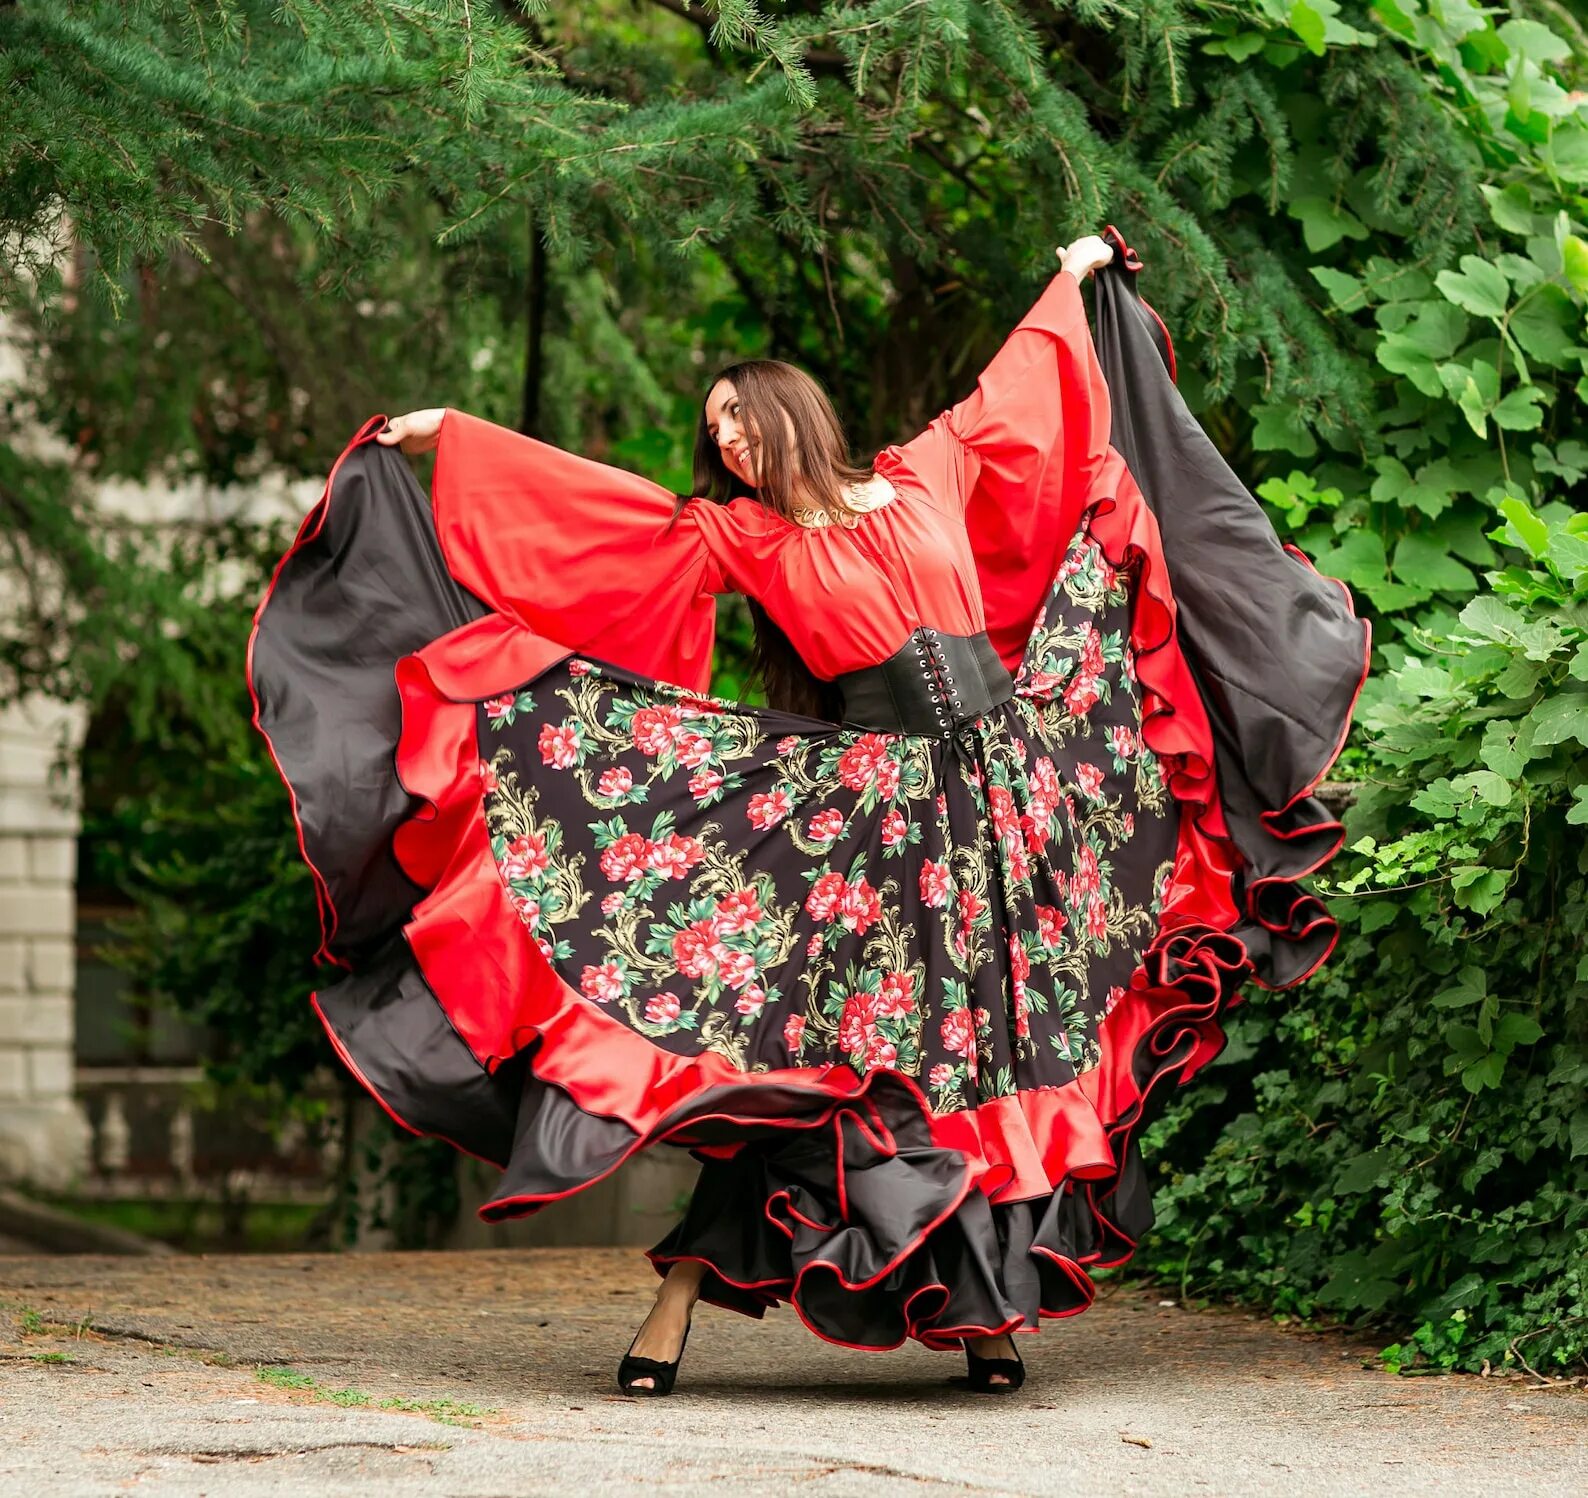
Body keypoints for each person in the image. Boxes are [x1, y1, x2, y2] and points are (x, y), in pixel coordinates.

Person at [249, 227, 1368, 1398]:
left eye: (738, 414)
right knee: (829, 1062)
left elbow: (1018, 386)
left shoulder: (926, 465)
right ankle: (681, 1301)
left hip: (1001, 788)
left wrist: (1076, 272)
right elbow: (602, 519)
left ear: (790, 412)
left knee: (981, 1047)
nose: (724, 436)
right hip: (871, 819)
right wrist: (451, 439)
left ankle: (984, 1316)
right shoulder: (736, 532)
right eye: (713, 425)